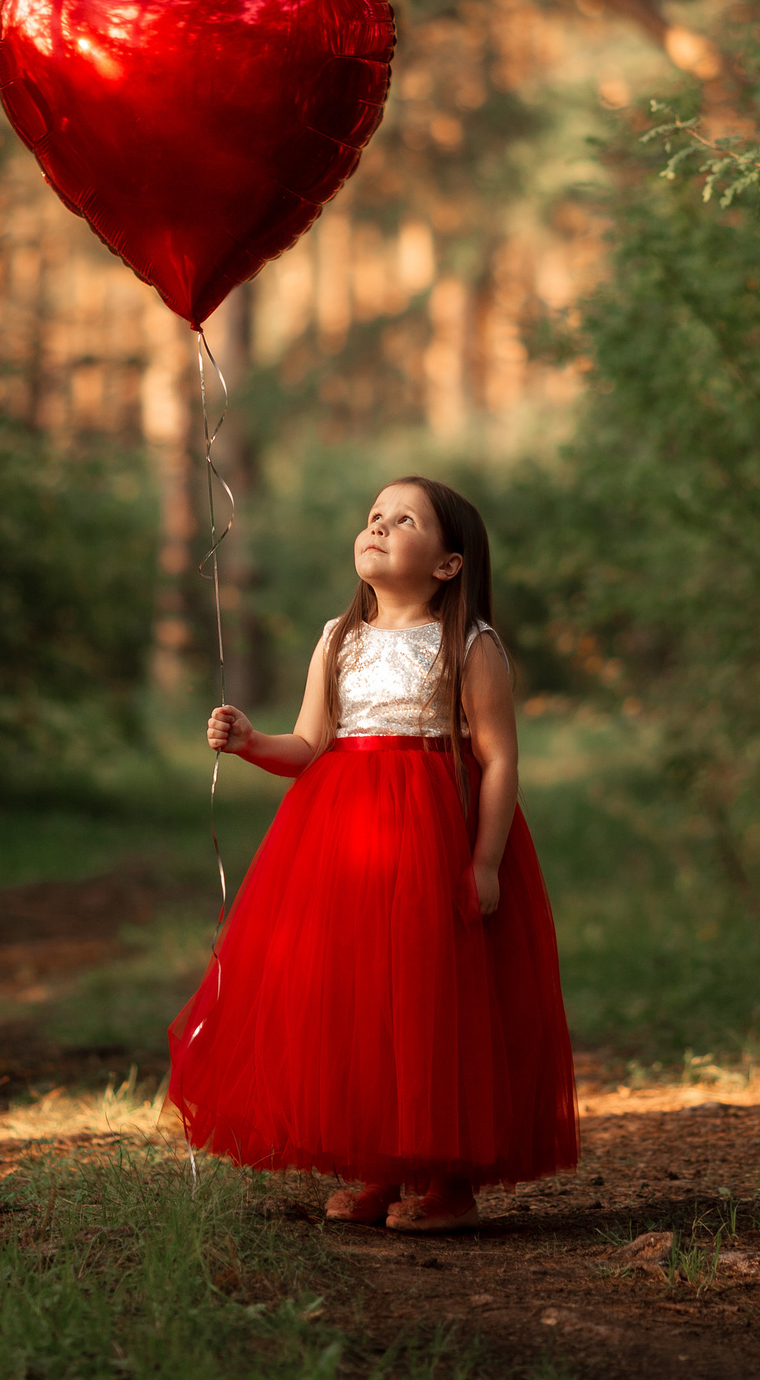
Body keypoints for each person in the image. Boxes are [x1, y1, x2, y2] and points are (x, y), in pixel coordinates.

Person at [165, 476, 578, 1233]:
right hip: (342, 842)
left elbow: (500, 759)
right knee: (361, 1000)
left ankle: (450, 1179)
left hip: (436, 837)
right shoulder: (339, 636)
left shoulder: (470, 642)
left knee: (434, 997)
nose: (380, 526)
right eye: (373, 516)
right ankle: (378, 1170)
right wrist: (254, 742)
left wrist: (485, 861)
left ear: (448, 564)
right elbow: (310, 744)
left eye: (404, 519)